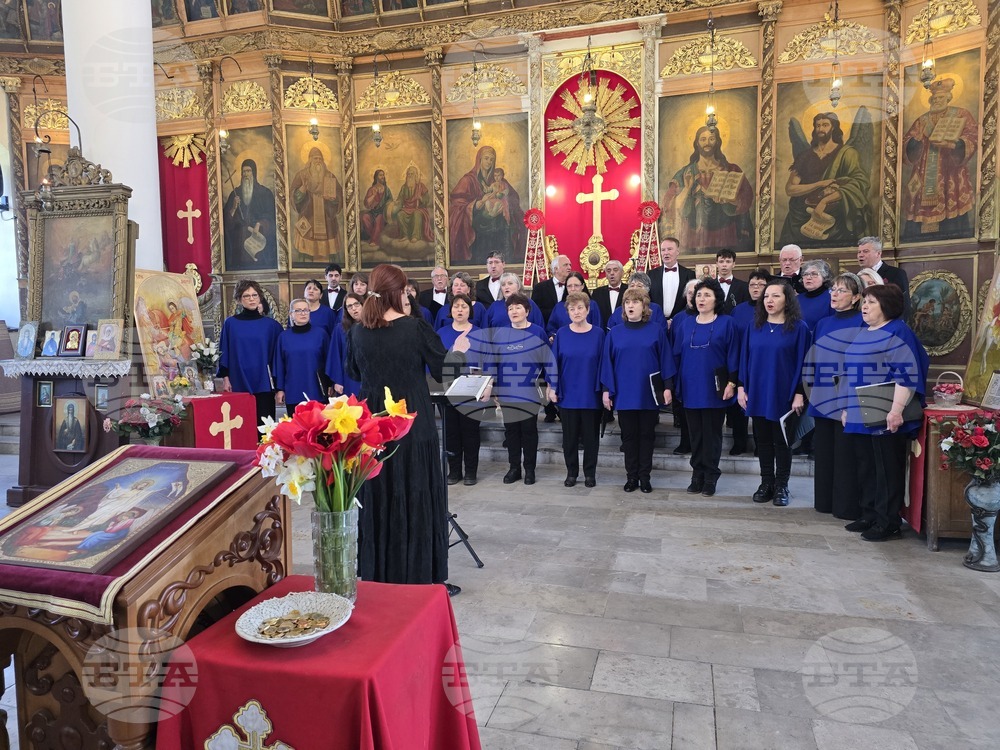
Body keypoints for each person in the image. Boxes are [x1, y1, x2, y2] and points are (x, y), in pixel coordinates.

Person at [345, 264, 469, 592]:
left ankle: (380, 574)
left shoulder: (357, 331)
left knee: (379, 496)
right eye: (405, 291)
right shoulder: (415, 328)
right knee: (418, 496)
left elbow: (354, 372)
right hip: (412, 425)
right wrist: (460, 351)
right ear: (398, 292)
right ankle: (422, 577)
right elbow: (446, 369)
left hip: (372, 428)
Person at [840, 283, 929, 541]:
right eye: (864, 301)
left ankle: (887, 520)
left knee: (885, 466)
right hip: (859, 408)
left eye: (870, 302)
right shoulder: (864, 331)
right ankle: (869, 513)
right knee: (866, 464)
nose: (864, 307)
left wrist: (896, 410)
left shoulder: (898, 331)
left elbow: (906, 374)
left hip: (884, 408)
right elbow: (850, 372)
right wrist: (846, 407)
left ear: (887, 307)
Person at [738, 280, 809, 507]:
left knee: (782, 442)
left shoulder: (799, 328)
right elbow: (744, 359)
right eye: (766, 296)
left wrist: (800, 393)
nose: (769, 300)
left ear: (787, 299)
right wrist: (741, 387)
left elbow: (806, 363)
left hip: (784, 393)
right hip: (758, 391)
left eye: (776, 296)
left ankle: (782, 485)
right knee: (763, 441)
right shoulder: (754, 326)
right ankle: (766, 483)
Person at [667, 279, 739, 496]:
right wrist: (674, 384)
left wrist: (732, 383)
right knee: (695, 434)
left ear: (717, 298)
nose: (701, 299)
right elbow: (676, 356)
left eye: (707, 295)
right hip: (690, 386)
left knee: (712, 434)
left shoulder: (728, 323)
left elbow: (734, 354)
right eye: (698, 295)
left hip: (716, 388)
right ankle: (696, 473)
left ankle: (710, 476)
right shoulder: (685, 324)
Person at [601, 288, 675, 493]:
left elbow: (665, 359)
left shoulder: (656, 330)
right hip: (624, 392)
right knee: (629, 437)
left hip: (649, 393)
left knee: (647, 435)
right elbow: (607, 364)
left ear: (644, 306)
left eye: (635, 302)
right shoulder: (615, 333)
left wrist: (667, 387)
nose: (631, 305)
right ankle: (631, 476)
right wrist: (607, 391)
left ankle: (645, 477)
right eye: (627, 303)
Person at [805, 272, 866, 519]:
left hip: (848, 397)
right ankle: (825, 502)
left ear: (856, 298)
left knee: (845, 456)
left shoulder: (863, 323)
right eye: (834, 290)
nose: (835, 294)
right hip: (823, 395)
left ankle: (846, 507)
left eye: (841, 291)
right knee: (825, 453)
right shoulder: (823, 323)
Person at [901, 77, 978, 241]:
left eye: (941, 97)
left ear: (949, 97)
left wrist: (952, 145)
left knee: (951, 204)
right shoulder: (922, 120)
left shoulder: (960, 114)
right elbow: (906, 146)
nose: (937, 100)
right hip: (924, 172)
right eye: (934, 98)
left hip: (950, 170)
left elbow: (972, 138)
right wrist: (916, 140)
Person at [487, 293, 550, 485]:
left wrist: (549, 384)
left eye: (518, 307)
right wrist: (493, 386)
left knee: (529, 430)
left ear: (527, 310)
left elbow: (548, 360)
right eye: (510, 308)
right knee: (511, 430)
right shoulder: (501, 334)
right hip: (507, 391)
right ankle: (514, 467)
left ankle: (529, 469)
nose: (514, 311)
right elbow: (492, 362)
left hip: (530, 390)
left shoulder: (538, 332)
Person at [661, 125, 754, 253]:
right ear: (697, 143)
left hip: (726, 235)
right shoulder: (686, 173)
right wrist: (687, 188)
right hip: (693, 237)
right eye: (703, 139)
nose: (707, 143)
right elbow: (669, 206)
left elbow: (746, 199)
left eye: (711, 139)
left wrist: (729, 200)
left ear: (717, 142)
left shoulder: (731, 170)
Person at [548, 291, 605, 488]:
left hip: (591, 394)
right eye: (572, 309)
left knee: (591, 438)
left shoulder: (598, 334)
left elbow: (604, 364)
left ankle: (590, 473)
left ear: (588, 310)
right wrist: (552, 387)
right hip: (568, 394)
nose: (576, 312)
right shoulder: (562, 334)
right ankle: (571, 472)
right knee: (569, 438)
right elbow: (553, 363)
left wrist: (605, 390)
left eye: (580, 307)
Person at [218, 280, 283, 426]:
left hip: (264, 383)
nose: (251, 299)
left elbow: (279, 358)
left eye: (254, 295)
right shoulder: (230, 324)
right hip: (238, 381)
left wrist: (279, 386)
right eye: (246, 296)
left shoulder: (272, 326)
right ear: (239, 299)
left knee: (264, 428)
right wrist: (226, 378)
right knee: (241, 426)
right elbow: (224, 351)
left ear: (260, 298)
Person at [437, 293, 484, 487]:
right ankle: (454, 471)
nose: (460, 310)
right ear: (451, 310)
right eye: (456, 306)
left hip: (473, 391)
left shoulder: (480, 333)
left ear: (469, 310)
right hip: (448, 391)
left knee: (471, 432)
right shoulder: (441, 333)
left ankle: (471, 472)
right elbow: (436, 362)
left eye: (464, 306)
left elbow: (487, 361)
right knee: (451, 433)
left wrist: (488, 385)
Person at [449, 145, 524, 264]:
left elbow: (513, 198)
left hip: (499, 228)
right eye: (486, 158)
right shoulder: (468, 180)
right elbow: (457, 202)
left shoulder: (498, 181)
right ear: (479, 159)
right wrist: (477, 203)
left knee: (504, 224)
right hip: (478, 226)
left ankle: (503, 262)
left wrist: (506, 203)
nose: (489, 162)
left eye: (491, 159)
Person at [729, 269, 770, 455]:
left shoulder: (771, 310)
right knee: (739, 406)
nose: (756, 288)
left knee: (760, 405)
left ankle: (761, 445)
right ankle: (740, 442)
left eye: (761, 285)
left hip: (762, 364)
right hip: (739, 361)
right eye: (753, 285)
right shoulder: (738, 310)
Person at [275, 299, 329, 415]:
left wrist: (330, 384)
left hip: (316, 389)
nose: (303, 313)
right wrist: (280, 389)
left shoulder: (321, 334)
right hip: (293, 389)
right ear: (291, 315)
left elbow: (329, 361)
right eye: (298, 311)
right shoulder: (283, 337)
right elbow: (279, 365)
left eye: (305, 310)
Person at [289, 146, 342, 263]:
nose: (318, 161)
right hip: (308, 215)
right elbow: (293, 196)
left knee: (328, 243)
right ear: (309, 160)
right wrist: (302, 189)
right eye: (315, 158)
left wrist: (332, 199)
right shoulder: (302, 175)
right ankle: (307, 265)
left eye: (320, 159)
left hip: (326, 216)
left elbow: (339, 195)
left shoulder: (330, 176)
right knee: (308, 243)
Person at [223, 159, 277, 268]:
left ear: (254, 173)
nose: (246, 174)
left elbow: (272, 216)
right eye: (243, 172)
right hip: (239, 244)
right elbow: (225, 222)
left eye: (249, 171)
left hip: (258, 237)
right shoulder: (235, 193)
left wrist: (259, 224)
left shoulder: (264, 193)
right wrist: (234, 207)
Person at [857, 237, 910, 319]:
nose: (860, 255)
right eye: (859, 252)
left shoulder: (896, 273)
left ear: (878, 253)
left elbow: (903, 304)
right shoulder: (857, 277)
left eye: (865, 251)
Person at [326, 292, 365, 398]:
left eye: (356, 304)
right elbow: (335, 356)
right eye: (349, 306)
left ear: (363, 305)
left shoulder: (372, 327)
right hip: (348, 379)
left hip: (368, 377)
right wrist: (337, 380)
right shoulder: (340, 329)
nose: (354, 309)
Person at [648, 237, 696, 318]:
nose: (666, 253)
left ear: (677, 252)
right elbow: (648, 298)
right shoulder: (651, 274)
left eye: (669, 249)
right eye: (663, 250)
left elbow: (691, 300)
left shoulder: (689, 274)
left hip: (681, 320)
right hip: (656, 320)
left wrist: (674, 319)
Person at [545, 272, 601, 338]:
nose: (573, 289)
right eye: (569, 286)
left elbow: (598, 328)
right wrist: (553, 336)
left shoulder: (592, 305)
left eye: (576, 285)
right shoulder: (559, 307)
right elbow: (551, 329)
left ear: (582, 286)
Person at [385, 165, 432, 244]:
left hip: (418, 208)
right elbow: (400, 199)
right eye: (408, 174)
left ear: (415, 176)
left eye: (411, 174)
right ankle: (405, 235)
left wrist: (420, 198)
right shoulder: (404, 187)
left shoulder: (421, 186)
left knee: (416, 214)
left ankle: (415, 236)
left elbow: (427, 199)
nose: (409, 176)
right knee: (400, 214)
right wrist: (396, 202)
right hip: (407, 209)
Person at [531, 254, 573, 324]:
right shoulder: (540, 288)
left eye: (570, 265)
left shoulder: (573, 287)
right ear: (556, 269)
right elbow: (535, 311)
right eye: (565, 265)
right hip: (546, 327)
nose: (569, 267)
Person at [797, 259, 835, 333]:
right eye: (805, 274)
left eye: (814, 274)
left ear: (824, 277)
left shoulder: (832, 297)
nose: (808, 277)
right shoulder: (796, 299)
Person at [361, 169, 392, 244]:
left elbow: (390, 202)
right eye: (381, 175)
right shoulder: (372, 189)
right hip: (373, 212)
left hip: (383, 212)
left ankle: (374, 241)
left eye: (383, 175)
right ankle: (375, 236)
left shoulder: (387, 190)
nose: (383, 177)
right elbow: (367, 204)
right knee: (365, 217)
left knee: (379, 219)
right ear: (376, 177)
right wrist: (374, 195)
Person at [591, 259, 625, 327]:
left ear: (622, 273)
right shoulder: (597, 293)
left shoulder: (629, 290)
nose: (612, 273)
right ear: (606, 274)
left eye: (615, 270)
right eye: (608, 271)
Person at [716, 249, 749, 315]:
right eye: (721, 261)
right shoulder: (708, 286)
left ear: (733, 264)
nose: (724, 265)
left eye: (728, 262)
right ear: (717, 264)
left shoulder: (744, 287)